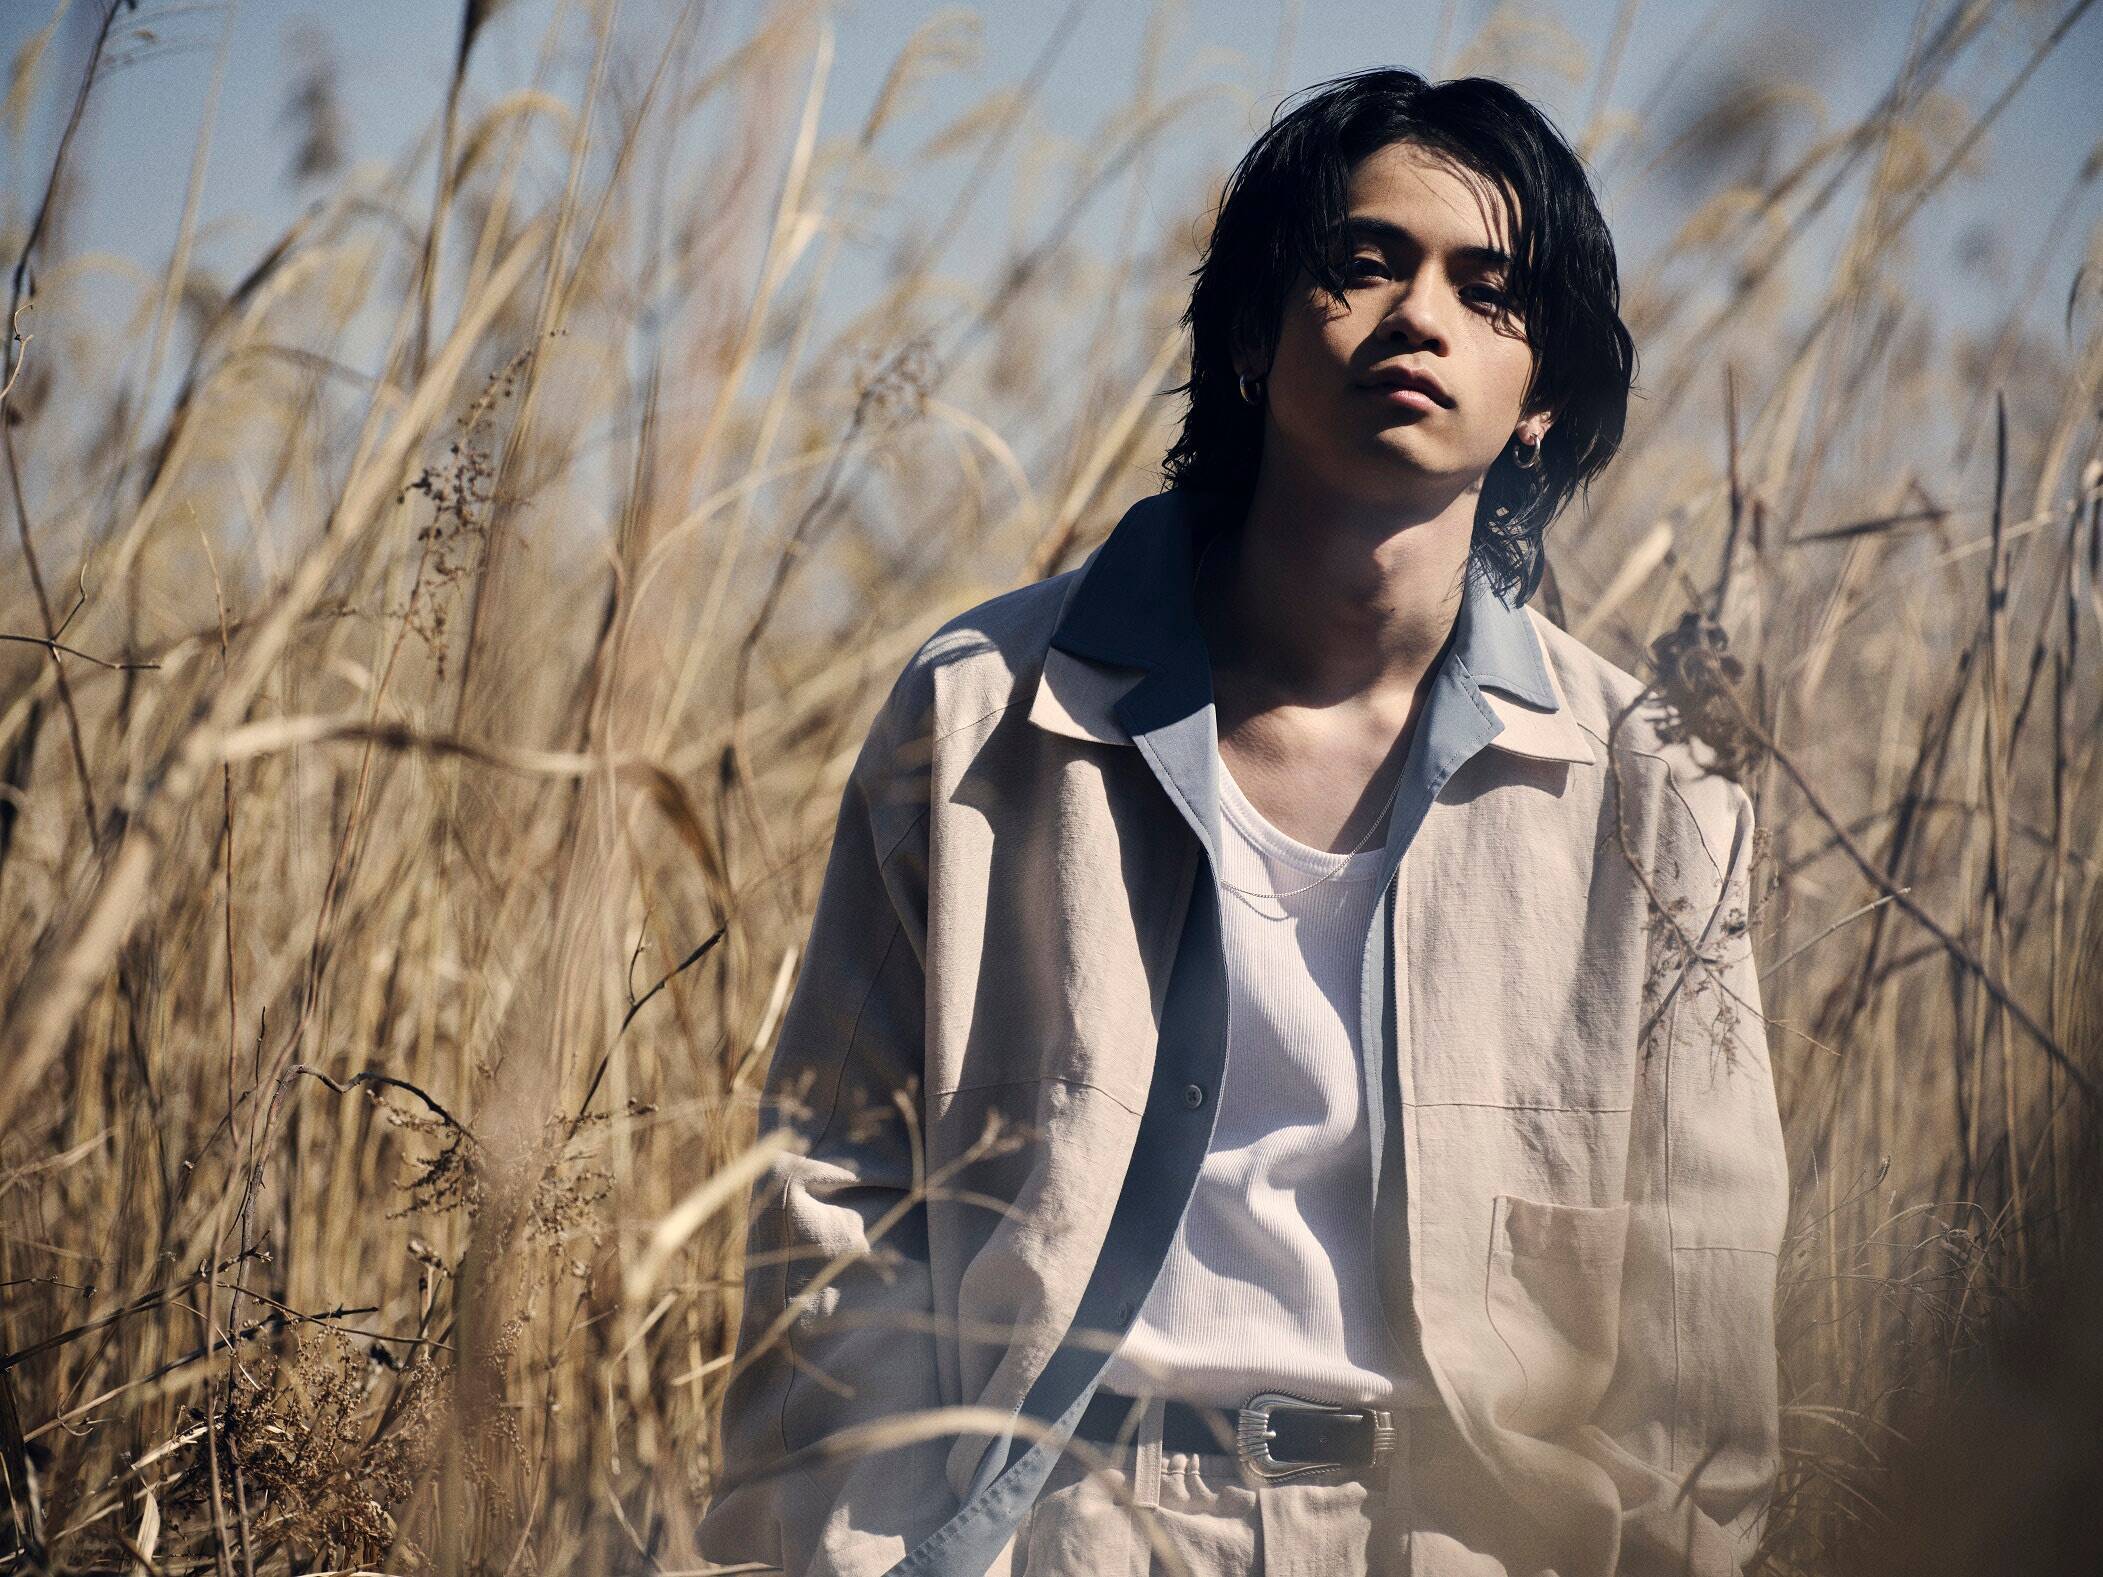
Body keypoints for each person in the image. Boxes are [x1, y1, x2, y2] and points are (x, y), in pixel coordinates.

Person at [697, 66, 1791, 1577]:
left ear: (1542, 399)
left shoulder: (1654, 799)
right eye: (1362, 264)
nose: (1419, 318)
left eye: (1488, 292)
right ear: (1249, 340)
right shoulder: (983, 716)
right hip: (1062, 1530)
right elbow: (838, 1208)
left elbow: (1702, 1314)